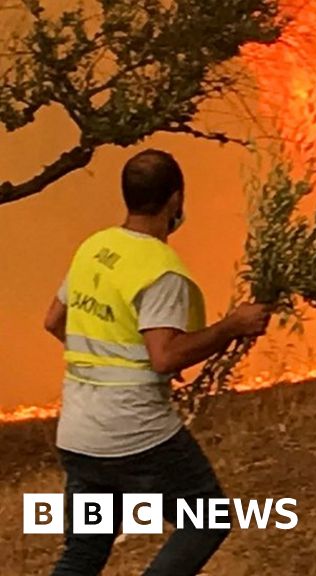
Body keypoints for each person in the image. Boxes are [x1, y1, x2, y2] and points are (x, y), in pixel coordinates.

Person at [42, 149, 271, 576]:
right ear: (175, 199)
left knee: (84, 552)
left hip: (79, 431)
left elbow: (55, 320)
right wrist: (233, 325)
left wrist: (105, 358)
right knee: (207, 519)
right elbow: (165, 357)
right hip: (136, 435)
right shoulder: (161, 271)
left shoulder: (96, 247)